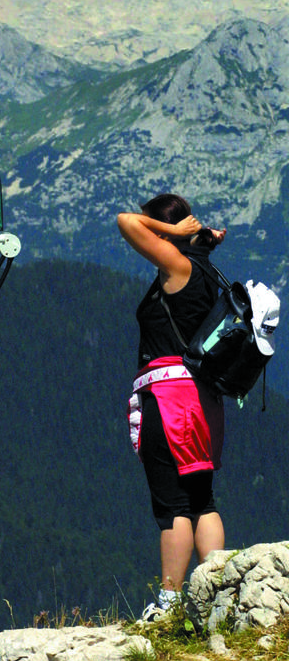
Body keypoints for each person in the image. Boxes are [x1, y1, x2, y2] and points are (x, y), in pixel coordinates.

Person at [117, 193, 227, 621]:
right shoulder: (203, 269)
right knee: (203, 499)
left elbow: (126, 222)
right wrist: (197, 239)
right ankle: (219, 592)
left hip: (168, 400)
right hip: (203, 400)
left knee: (173, 505)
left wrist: (173, 232)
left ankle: (168, 602)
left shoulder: (177, 268)